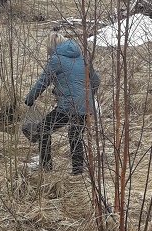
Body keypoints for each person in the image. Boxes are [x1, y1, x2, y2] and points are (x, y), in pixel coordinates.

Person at [24, 33, 100, 175]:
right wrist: (87, 96)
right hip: (86, 106)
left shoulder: (55, 59)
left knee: (43, 129)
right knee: (75, 135)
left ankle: (46, 167)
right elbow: (96, 81)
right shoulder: (83, 59)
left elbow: (43, 82)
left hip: (68, 106)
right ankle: (77, 172)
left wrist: (30, 99)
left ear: (51, 46)